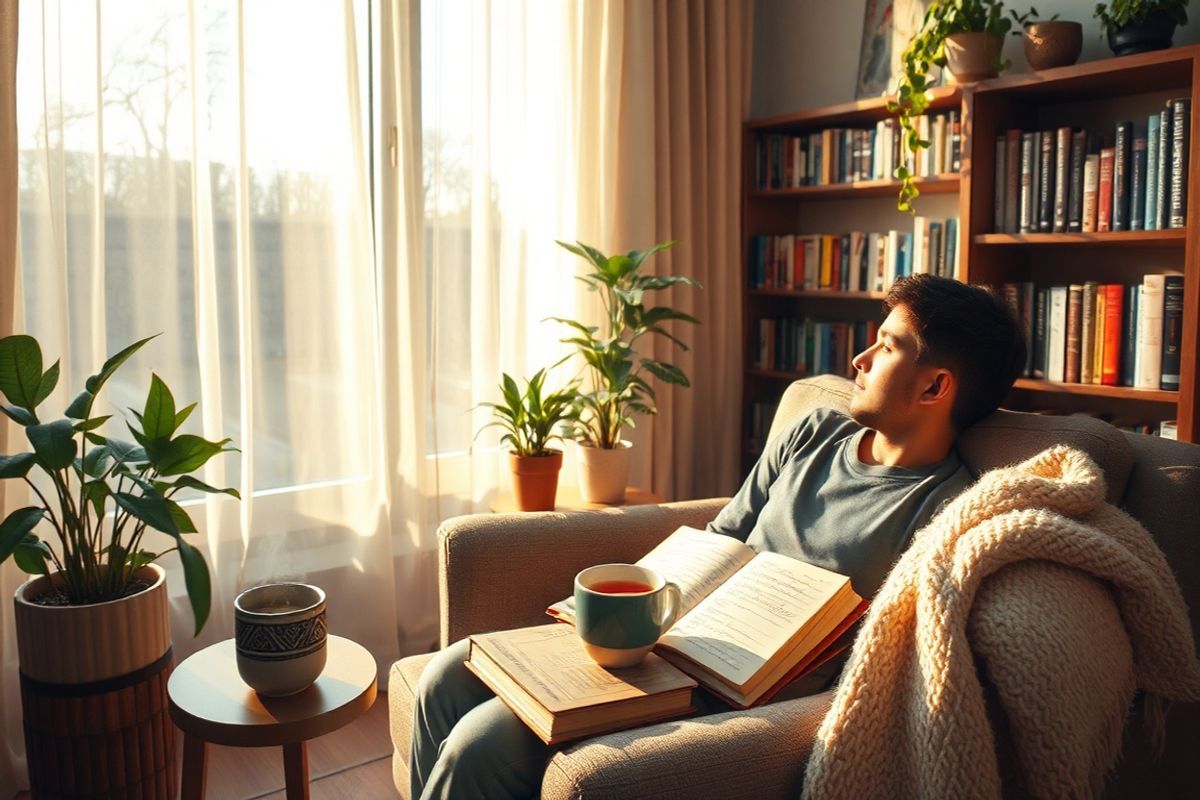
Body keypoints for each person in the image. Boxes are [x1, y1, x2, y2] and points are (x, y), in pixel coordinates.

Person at [410, 274, 1027, 800]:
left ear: (934, 386)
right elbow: (724, 534)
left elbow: (885, 657)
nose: (860, 361)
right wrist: (630, 614)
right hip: (666, 639)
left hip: (734, 692)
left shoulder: (948, 510)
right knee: (444, 673)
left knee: (479, 746)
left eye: (886, 347)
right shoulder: (813, 431)